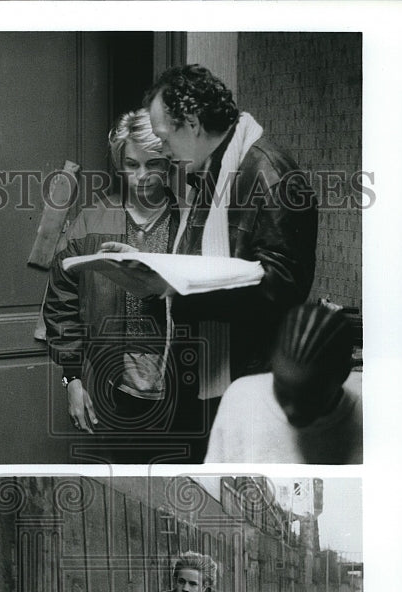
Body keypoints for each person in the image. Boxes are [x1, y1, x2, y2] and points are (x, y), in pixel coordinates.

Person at [106, 65, 319, 459]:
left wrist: (173, 290)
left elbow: (282, 291)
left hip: (250, 377)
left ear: (191, 123)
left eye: (164, 137)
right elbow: (202, 260)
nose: (163, 150)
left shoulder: (270, 174)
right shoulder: (212, 172)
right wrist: (150, 264)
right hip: (213, 372)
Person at [44, 109, 204, 463]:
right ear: (119, 163)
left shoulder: (191, 223)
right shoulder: (90, 221)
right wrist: (72, 379)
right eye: (132, 165)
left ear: (169, 164)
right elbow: (61, 303)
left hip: (179, 387)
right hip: (110, 388)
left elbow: (208, 297)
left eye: (154, 165)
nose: (142, 177)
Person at [205, 302, 362, 463]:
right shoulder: (242, 398)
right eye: (282, 391)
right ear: (272, 363)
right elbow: (211, 484)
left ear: (343, 375)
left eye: (308, 397)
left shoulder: (370, 422)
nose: (292, 410)